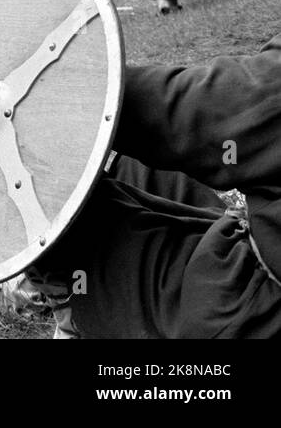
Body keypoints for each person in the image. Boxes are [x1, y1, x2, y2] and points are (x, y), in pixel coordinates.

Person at [25, 34, 281, 338]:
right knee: (130, 166)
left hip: (261, 309)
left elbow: (218, 110)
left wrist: (71, 91)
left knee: (69, 234)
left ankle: (69, 304)